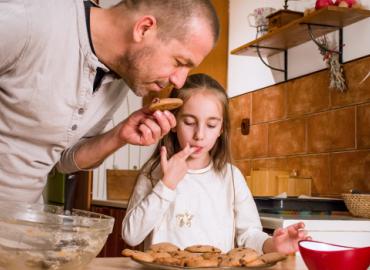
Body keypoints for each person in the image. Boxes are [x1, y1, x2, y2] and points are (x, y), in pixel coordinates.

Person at [0, 0, 219, 203]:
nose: (179, 81)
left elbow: (64, 160)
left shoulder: (121, 79)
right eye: (179, 62)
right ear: (144, 29)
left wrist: (119, 135)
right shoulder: (31, 19)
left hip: (21, 224)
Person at [122, 73, 310, 254]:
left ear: (221, 129)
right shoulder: (153, 173)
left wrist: (273, 245)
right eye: (189, 122)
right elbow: (131, 236)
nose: (199, 135)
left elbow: (249, 234)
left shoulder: (231, 177)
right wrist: (166, 185)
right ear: (173, 122)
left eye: (211, 125)